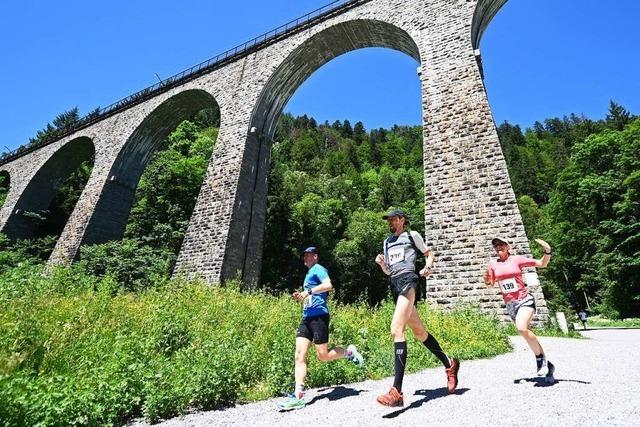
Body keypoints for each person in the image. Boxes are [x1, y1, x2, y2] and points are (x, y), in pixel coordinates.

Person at [374, 209, 460, 407]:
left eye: (394, 219)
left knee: (396, 329)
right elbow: (389, 271)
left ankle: (396, 391)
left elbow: (429, 254)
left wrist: (428, 267)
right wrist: (381, 265)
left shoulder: (412, 236)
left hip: (409, 281)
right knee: (420, 333)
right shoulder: (387, 242)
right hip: (395, 285)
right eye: (389, 220)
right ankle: (450, 363)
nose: (390, 223)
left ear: (402, 220)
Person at [277, 246, 364, 411]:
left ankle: (349, 353)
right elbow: (310, 294)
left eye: (308, 255)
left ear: (315, 257)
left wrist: (307, 292)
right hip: (306, 318)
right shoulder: (308, 273)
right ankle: (298, 395)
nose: (305, 258)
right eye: (304, 256)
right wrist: (301, 296)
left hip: (319, 317)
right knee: (299, 354)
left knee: (322, 356)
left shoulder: (319, 269)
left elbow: (328, 285)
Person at [483, 236, 555, 379]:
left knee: (521, 328)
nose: (498, 247)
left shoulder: (517, 259)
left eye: (501, 244)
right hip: (510, 304)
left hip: (524, 300)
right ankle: (548, 365)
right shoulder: (492, 264)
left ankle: (540, 359)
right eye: (496, 245)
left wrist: (547, 251)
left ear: (508, 246)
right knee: (527, 334)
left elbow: (542, 263)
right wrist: (487, 281)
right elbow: (491, 282)